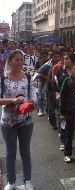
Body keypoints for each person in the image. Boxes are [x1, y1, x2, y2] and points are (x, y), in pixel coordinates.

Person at [0, 50, 37, 190]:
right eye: (16, 60)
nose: (20, 62)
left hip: (25, 121)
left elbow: (34, 94)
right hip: (8, 122)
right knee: (10, 153)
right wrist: (12, 100)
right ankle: (11, 181)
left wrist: (30, 102)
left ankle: (28, 180)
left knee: (25, 152)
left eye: (21, 60)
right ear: (9, 61)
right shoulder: (2, 78)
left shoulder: (28, 77)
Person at [59, 61, 75, 163]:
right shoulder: (67, 81)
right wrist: (62, 113)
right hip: (70, 112)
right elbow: (62, 98)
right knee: (69, 134)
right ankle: (67, 153)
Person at [36, 50, 49, 116]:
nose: (44, 58)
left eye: (45, 56)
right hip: (41, 80)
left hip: (49, 80)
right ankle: (40, 109)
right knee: (40, 95)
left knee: (47, 96)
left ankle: (47, 109)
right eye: (43, 56)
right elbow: (36, 72)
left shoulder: (50, 62)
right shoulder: (39, 62)